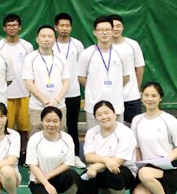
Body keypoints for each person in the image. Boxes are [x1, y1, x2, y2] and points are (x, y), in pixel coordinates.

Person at [131, 82, 177, 194]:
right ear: (141, 97)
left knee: (145, 173)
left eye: (154, 96)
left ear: (160, 98)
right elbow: (137, 148)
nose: (149, 99)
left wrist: (166, 160)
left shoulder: (169, 120)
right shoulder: (137, 121)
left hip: (169, 169)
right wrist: (138, 165)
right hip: (147, 168)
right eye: (146, 95)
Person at [78, 101, 137, 194]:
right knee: (81, 187)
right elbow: (88, 156)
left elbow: (119, 161)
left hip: (124, 170)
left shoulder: (125, 132)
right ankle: (108, 193)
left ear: (114, 114)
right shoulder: (92, 132)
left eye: (107, 113)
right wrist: (105, 160)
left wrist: (95, 166)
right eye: (99, 114)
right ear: (95, 118)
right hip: (102, 168)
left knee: (113, 173)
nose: (104, 117)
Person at [78, 16, 132, 129]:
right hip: (93, 105)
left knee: (117, 135)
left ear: (112, 31)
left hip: (116, 105)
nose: (104, 33)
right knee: (94, 136)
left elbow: (126, 77)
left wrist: (115, 87)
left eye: (107, 29)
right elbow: (81, 77)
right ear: (95, 32)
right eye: (101, 30)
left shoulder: (122, 53)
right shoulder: (87, 54)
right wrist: (94, 87)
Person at [26, 107, 81, 194]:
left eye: (55, 121)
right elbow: (32, 165)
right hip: (38, 180)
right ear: (42, 121)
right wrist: (46, 183)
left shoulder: (67, 139)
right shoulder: (35, 139)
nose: (51, 124)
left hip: (57, 177)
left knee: (73, 175)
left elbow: (68, 163)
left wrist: (48, 176)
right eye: (47, 121)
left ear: (60, 122)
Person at [0, 14, 33, 158]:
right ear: (4, 28)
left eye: (14, 25)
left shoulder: (27, 46)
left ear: (20, 27)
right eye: (9, 25)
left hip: (24, 93)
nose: (12, 28)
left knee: (25, 127)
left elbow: (31, 69)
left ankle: (23, 153)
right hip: (5, 95)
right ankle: (7, 154)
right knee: (7, 127)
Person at [23, 25, 70, 135]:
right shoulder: (30, 58)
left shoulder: (61, 57)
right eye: (43, 36)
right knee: (36, 137)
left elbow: (66, 82)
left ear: (55, 39)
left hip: (59, 106)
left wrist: (55, 101)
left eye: (50, 36)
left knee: (60, 136)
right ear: (37, 39)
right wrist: (45, 102)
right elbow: (29, 84)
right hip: (37, 107)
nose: (47, 39)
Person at [54, 13, 85, 155]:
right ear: (56, 27)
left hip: (73, 92)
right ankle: (57, 154)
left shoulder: (77, 45)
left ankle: (75, 155)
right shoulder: (51, 44)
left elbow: (82, 67)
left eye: (67, 25)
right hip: (55, 94)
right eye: (61, 25)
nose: (64, 28)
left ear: (71, 27)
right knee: (56, 125)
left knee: (72, 125)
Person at [110, 15, 146, 124]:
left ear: (123, 27)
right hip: (111, 97)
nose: (116, 29)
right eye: (112, 26)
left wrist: (136, 88)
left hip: (131, 96)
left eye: (118, 26)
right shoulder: (103, 46)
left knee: (135, 126)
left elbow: (139, 68)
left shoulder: (133, 44)